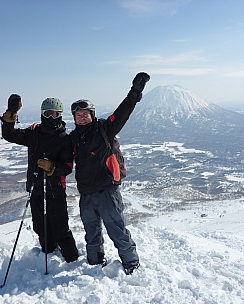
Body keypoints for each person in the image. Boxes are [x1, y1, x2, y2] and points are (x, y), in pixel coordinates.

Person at [70, 72, 150, 275]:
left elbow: (123, 112)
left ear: (92, 114)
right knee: (91, 232)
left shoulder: (105, 129)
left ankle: (131, 263)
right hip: (86, 194)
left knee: (116, 229)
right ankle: (95, 262)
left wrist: (135, 92)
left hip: (107, 191)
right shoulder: (73, 138)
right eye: (77, 115)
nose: (81, 117)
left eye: (85, 114)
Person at [0, 95, 79, 262]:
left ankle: (71, 257)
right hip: (36, 186)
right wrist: (11, 114)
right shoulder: (34, 133)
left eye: (55, 114)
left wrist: (52, 168)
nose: (51, 117)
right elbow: (10, 135)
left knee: (59, 225)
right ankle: (48, 250)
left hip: (55, 188)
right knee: (39, 224)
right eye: (48, 113)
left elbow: (67, 167)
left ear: (60, 115)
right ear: (42, 114)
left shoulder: (64, 139)